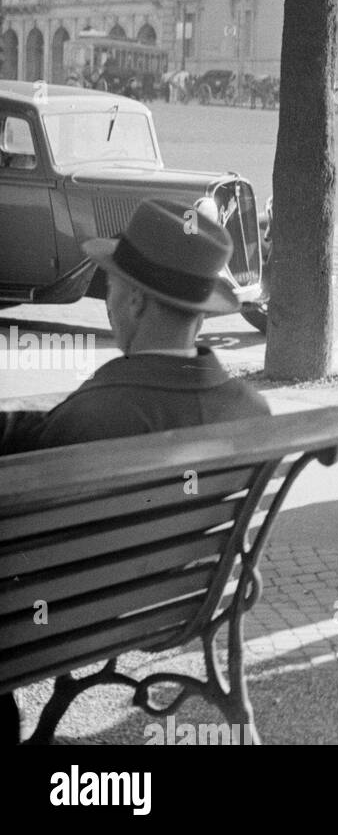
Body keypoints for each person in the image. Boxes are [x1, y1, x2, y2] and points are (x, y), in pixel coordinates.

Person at [0, 198, 272, 742]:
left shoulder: (101, 412)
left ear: (138, 302)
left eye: (111, 284)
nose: (107, 298)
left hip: (56, 620)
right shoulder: (249, 412)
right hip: (174, 601)